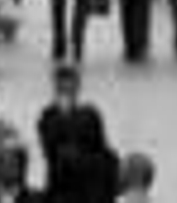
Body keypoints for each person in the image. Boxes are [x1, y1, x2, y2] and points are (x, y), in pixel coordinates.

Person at [34, 61, 118, 203]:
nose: (66, 88)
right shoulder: (48, 116)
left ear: (78, 87)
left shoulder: (90, 114)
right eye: (62, 84)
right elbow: (51, 151)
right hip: (61, 188)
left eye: (70, 83)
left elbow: (101, 149)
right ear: (55, 87)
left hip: (87, 188)